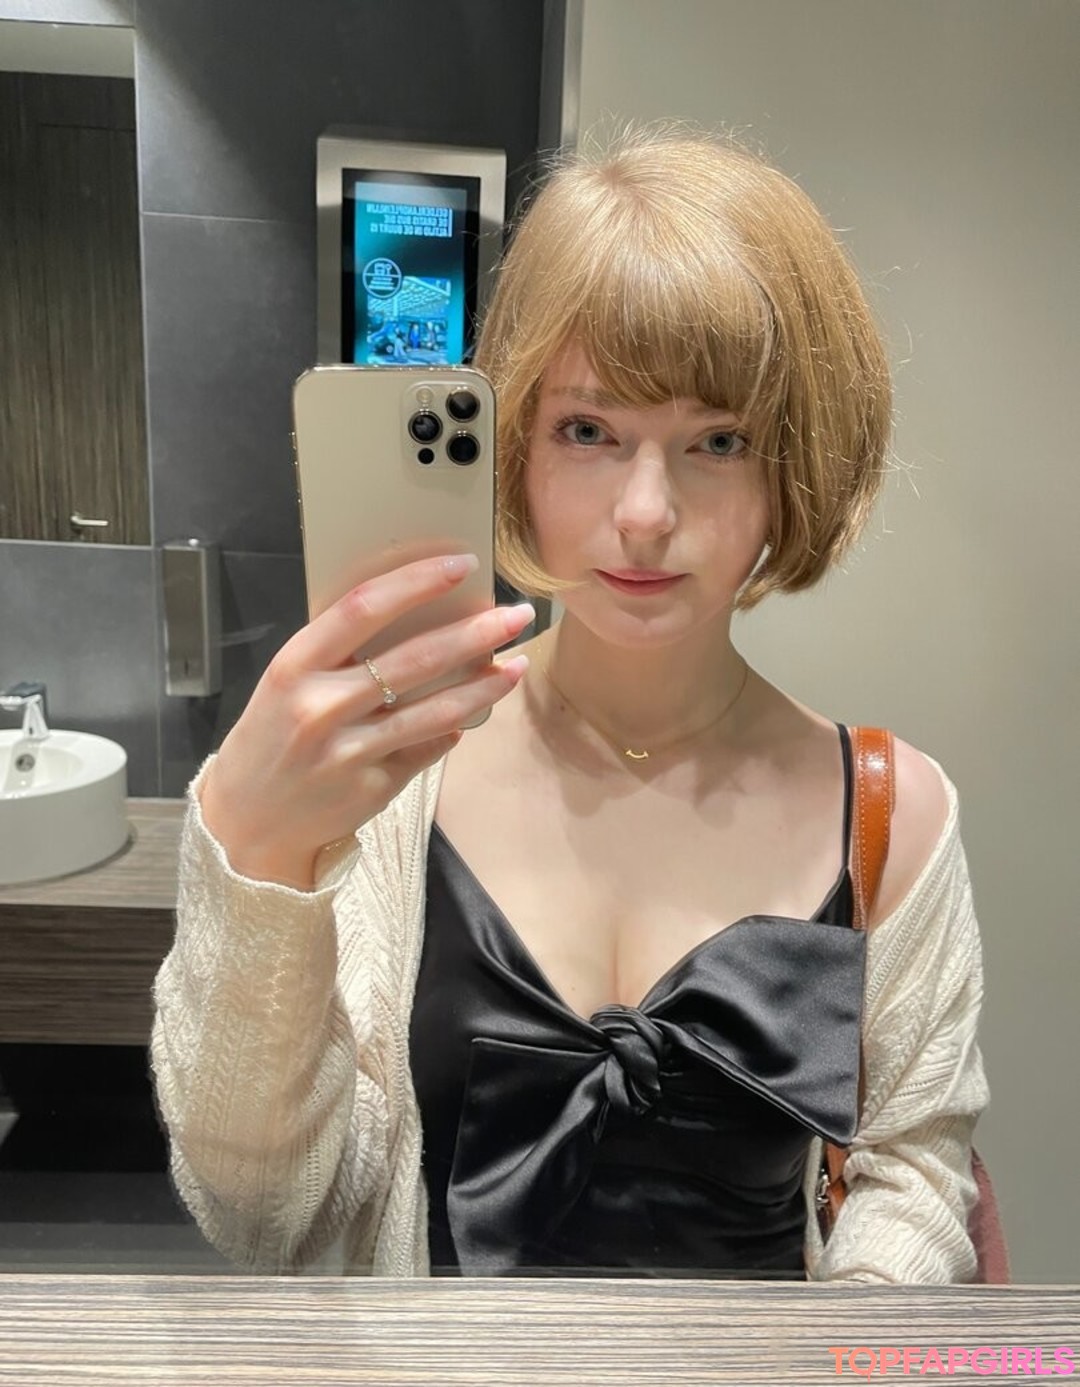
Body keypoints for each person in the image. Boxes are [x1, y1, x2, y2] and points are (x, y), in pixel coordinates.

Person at [151, 125, 988, 1281]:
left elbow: (914, 1175)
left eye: (718, 440)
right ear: (517, 447)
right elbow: (261, 1212)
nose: (645, 513)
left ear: (792, 468)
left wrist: (843, 1341)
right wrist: (256, 857)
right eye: (588, 431)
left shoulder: (892, 819)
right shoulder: (381, 786)